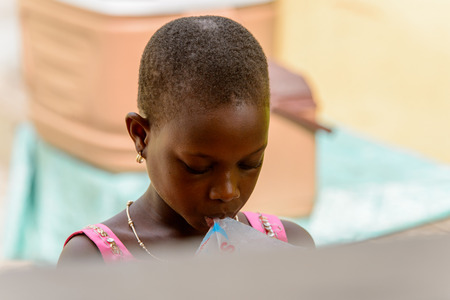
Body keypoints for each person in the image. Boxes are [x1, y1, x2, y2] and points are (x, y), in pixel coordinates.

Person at [58, 15, 314, 265]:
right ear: (141, 136)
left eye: (250, 164)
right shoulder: (92, 263)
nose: (227, 191)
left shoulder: (287, 248)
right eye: (198, 167)